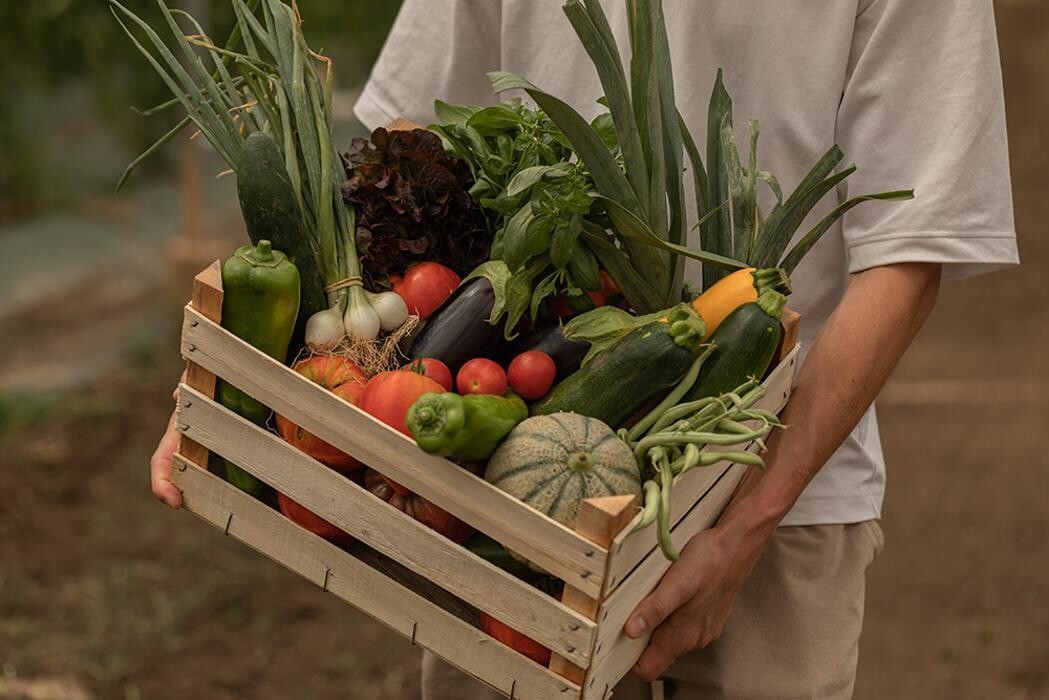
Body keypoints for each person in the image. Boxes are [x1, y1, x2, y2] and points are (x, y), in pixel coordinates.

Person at [151, 1, 1018, 697]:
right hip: (498, 501)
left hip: (769, 499)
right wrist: (241, 381)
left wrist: (745, 527)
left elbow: (907, 250)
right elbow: (406, 149)